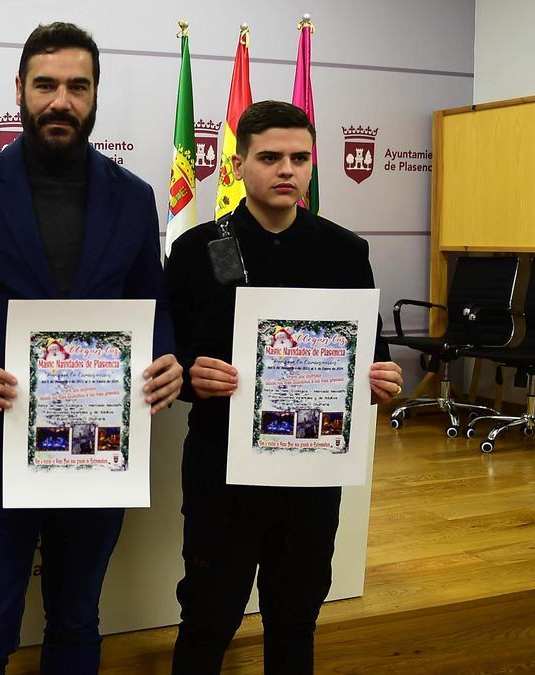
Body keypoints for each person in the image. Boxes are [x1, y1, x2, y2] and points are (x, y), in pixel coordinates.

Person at [0, 22, 183, 674]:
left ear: (94, 96)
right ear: (20, 91)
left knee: (78, 619)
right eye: (46, 85)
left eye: (76, 87)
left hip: (98, 451)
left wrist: (164, 356)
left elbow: (154, 306)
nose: (61, 101)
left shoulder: (135, 198)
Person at [165, 100, 404, 673]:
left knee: (295, 616)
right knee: (209, 616)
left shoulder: (346, 251)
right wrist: (191, 377)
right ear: (239, 163)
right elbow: (167, 355)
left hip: (312, 471)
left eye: (300, 158)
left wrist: (381, 379)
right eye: (270, 157)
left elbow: (371, 355)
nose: (287, 170)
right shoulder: (197, 250)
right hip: (222, 470)